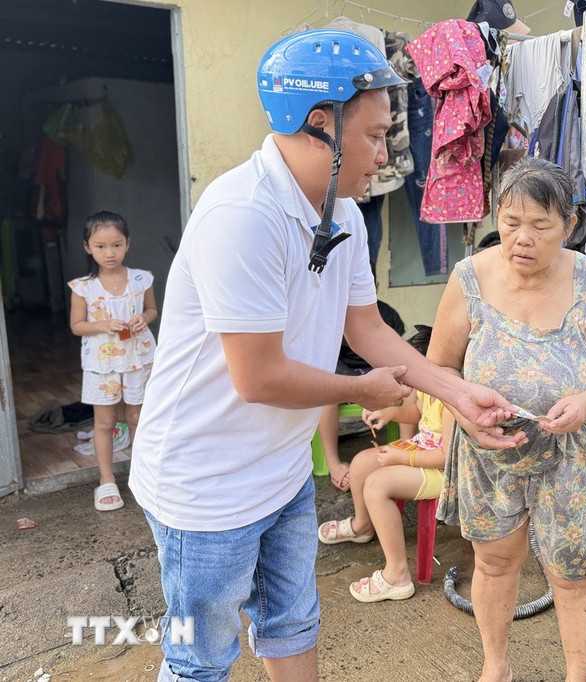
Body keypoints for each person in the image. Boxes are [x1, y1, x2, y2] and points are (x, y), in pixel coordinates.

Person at [129, 29, 517, 682]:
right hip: (205, 486)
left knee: (293, 624)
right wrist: (362, 391)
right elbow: (258, 378)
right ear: (319, 126)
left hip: (279, 473)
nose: (386, 155)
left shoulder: (344, 214)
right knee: (201, 659)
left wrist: (456, 394)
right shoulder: (242, 215)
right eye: (374, 136)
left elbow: (366, 329)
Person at [429, 156, 586, 682]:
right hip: (490, 452)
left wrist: (585, 404)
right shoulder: (469, 279)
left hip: (573, 455)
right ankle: (495, 666)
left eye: (541, 226)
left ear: (569, 225)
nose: (522, 238)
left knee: (572, 575)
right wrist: (466, 414)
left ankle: (576, 677)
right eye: (511, 222)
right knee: (494, 562)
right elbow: (439, 368)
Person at [319, 325, 449, 602]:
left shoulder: (451, 398)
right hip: (422, 450)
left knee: (377, 485)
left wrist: (402, 458)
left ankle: (397, 575)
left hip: (443, 469)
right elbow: (417, 411)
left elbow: (447, 456)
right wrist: (390, 413)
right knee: (362, 463)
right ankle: (362, 525)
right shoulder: (430, 387)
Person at [68, 210, 157, 512]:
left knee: (138, 418)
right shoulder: (83, 287)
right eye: (100, 246)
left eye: (116, 245)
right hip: (101, 364)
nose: (109, 253)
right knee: (105, 423)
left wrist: (144, 318)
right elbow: (77, 326)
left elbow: (152, 310)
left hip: (138, 358)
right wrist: (102, 325)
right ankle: (106, 479)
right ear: (88, 247)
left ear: (127, 244)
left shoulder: (141, 279)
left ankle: (143, 475)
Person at [318, 290, 407, 491]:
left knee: (406, 383)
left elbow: (396, 352)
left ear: (375, 286)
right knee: (326, 392)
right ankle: (333, 463)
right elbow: (324, 355)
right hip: (342, 371)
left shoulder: (387, 313)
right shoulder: (330, 314)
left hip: (375, 369)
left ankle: (405, 448)